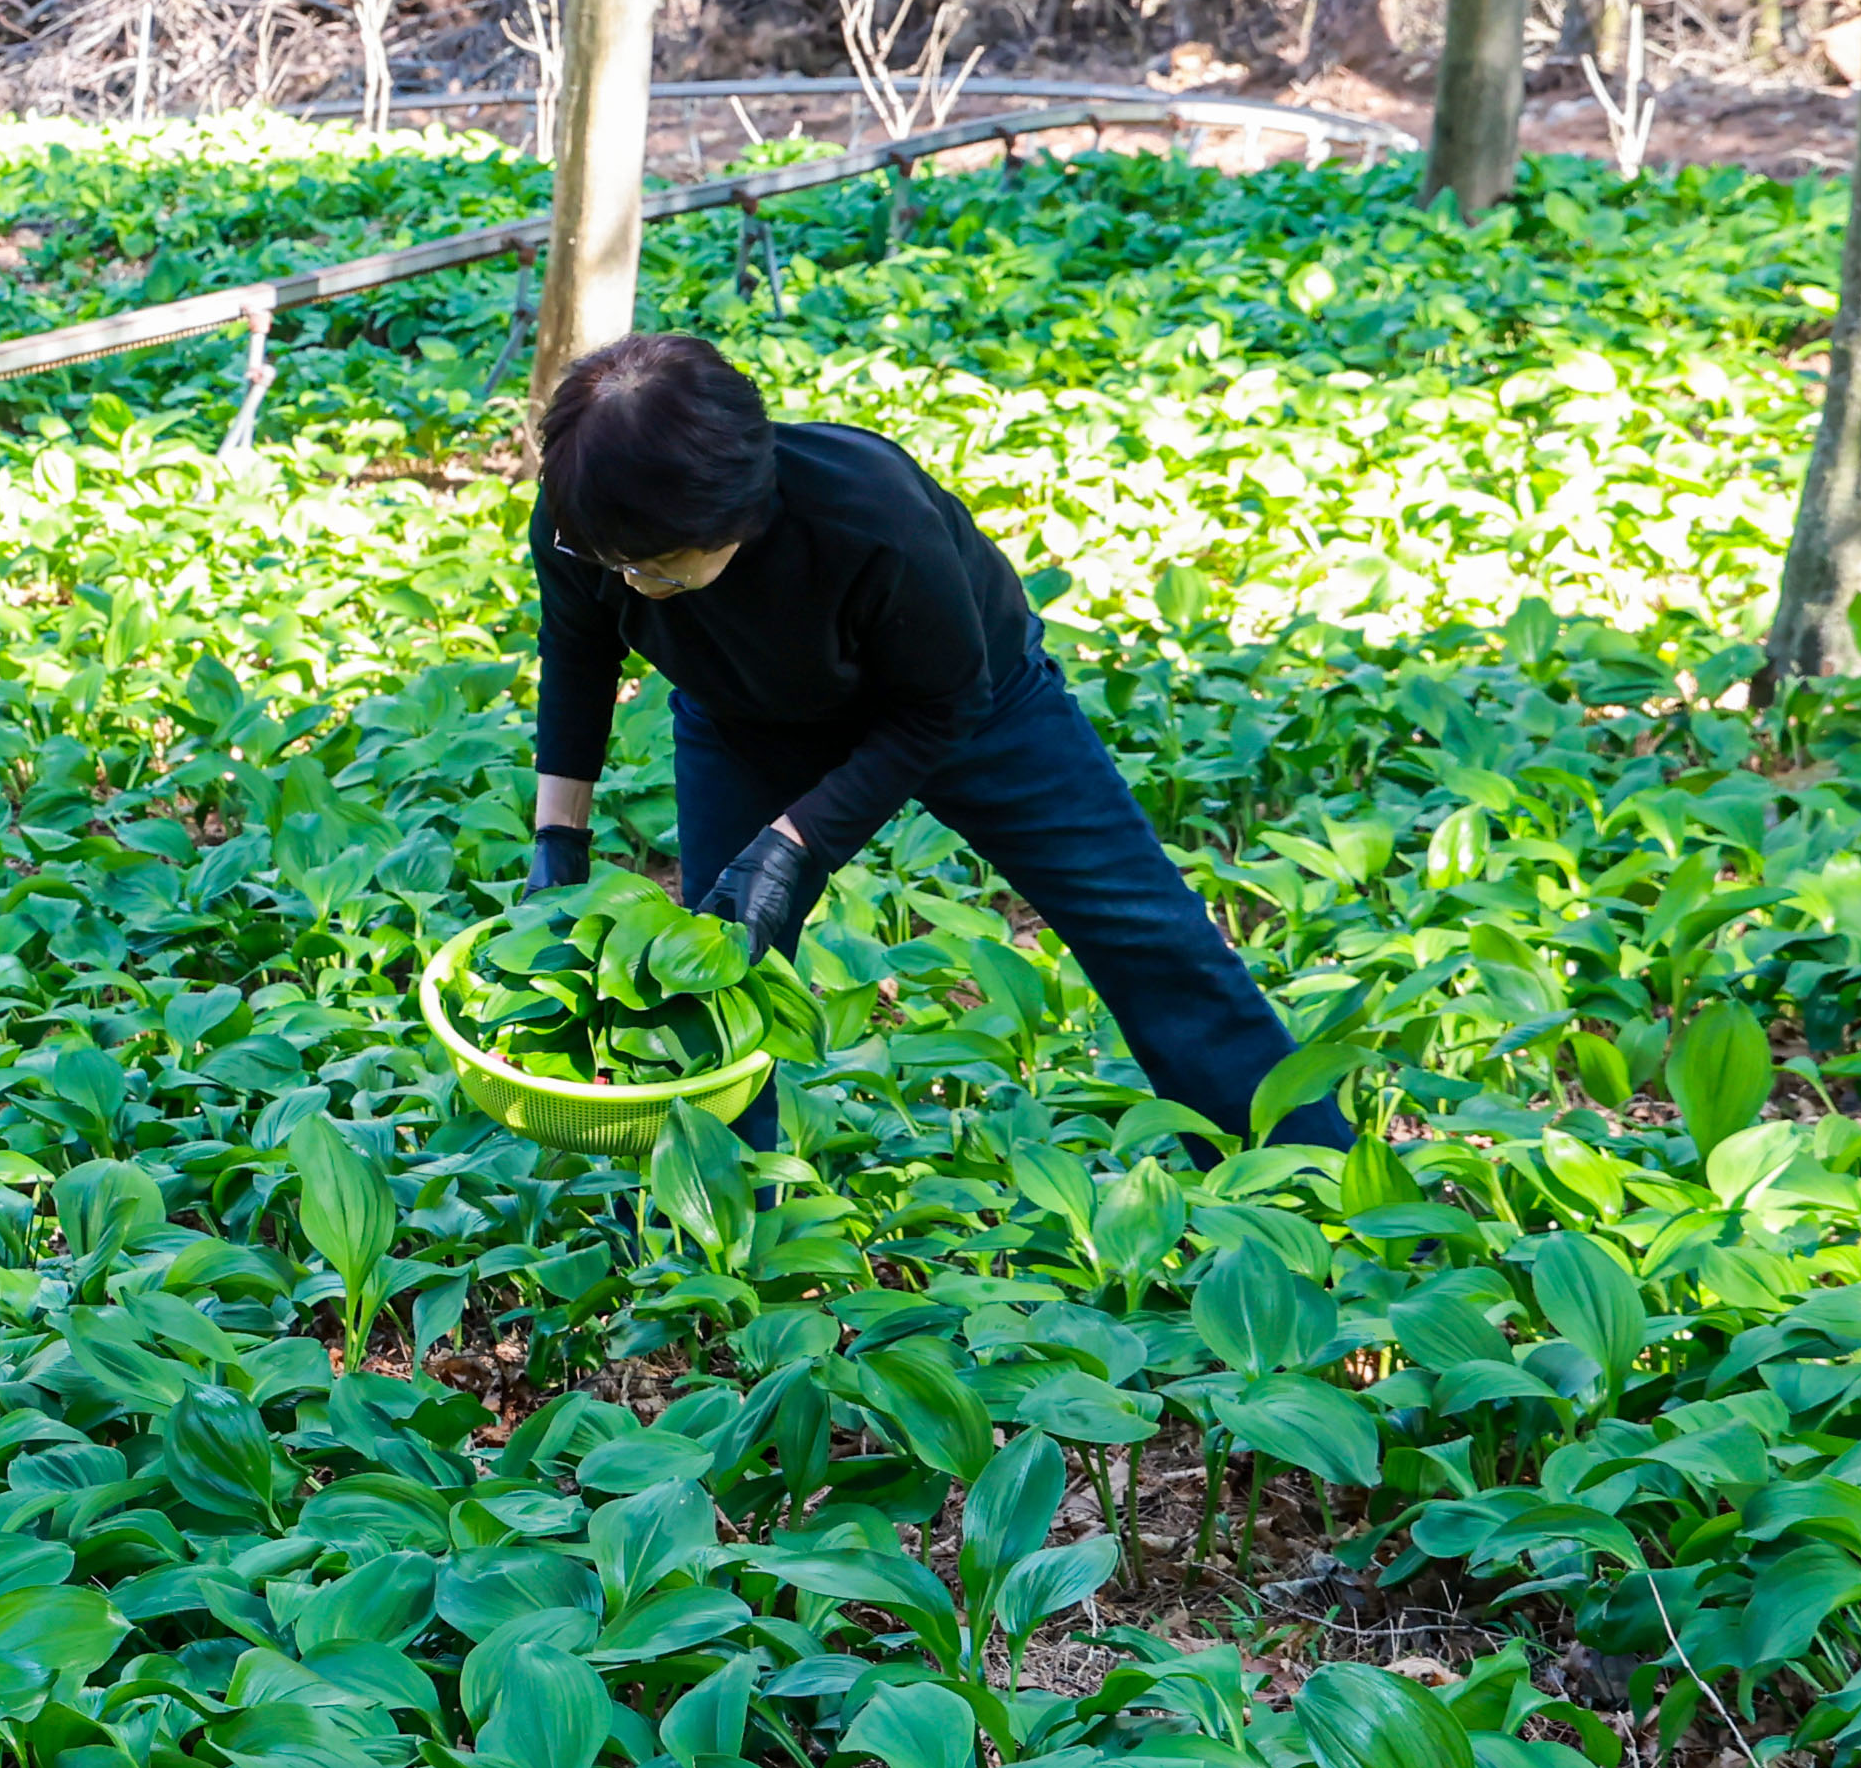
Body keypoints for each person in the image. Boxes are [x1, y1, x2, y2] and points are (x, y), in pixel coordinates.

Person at [525, 332, 1349, 1158]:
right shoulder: (591, 517)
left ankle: (1302, 1173)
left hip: (972, 707)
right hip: (743, 720)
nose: (633, 585)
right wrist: (558, 837)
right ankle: (718, 1229)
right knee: (720, 973)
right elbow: (578, 654)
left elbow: (942, 708)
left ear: (739, 513)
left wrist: (797, 841)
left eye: (661, 569)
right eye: (615, 564)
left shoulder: (868, 514)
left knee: (1147, 932)